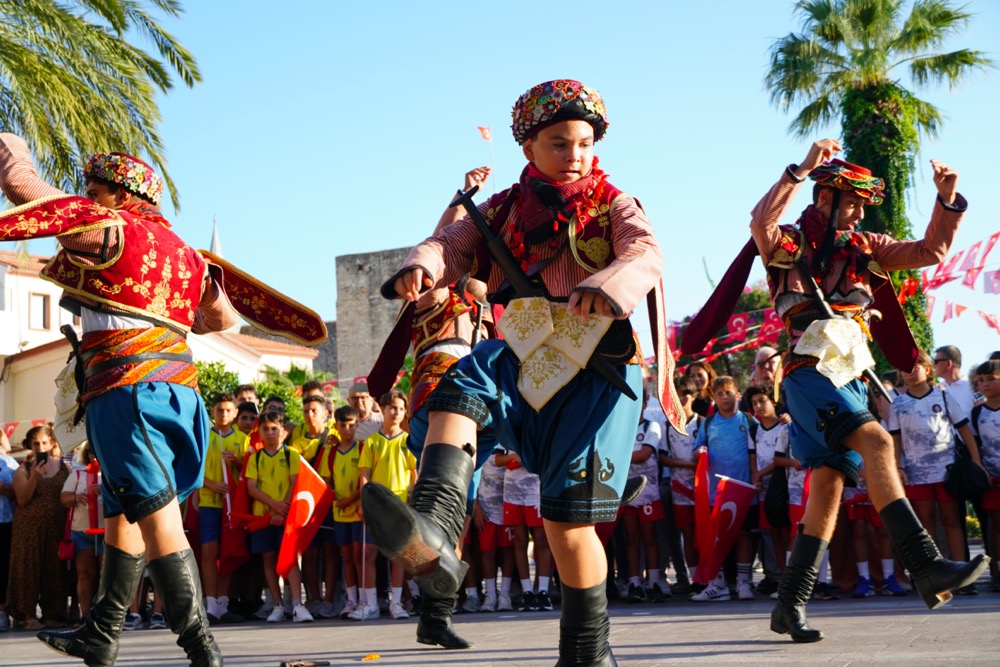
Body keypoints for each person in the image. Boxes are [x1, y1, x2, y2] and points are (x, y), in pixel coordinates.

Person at [361, 79, 670, 665]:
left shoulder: (614, 202)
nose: (574, 154)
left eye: (582, 143)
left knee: (568, 526)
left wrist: (609, 284)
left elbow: (644, 252)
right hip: (526, 351)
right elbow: (450, 243)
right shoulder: (500, 207)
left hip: (598, 368)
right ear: (528, 148)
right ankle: (433, 527)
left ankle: (587, 654)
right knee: (461, 384)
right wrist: (421, 268)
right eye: (559, 143)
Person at [747, 137, 988, 643]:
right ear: (823, 198)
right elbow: (760, 225)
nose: (857, 211)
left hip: (850, 375)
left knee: (829, 488)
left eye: (861, 203)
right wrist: (800, 169)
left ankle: (788, 605)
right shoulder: (788, 243)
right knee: (879, 442)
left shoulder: (868, 246)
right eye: (850, 200)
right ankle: (924, 565)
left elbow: (929, 251)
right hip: (807, 371)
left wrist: (946, 201)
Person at [889, 351, 983, 582]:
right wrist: (897, 467)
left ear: (927, 370)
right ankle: (934, 574)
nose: (910, 374)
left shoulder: (943, 396)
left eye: (916, 368)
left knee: (952, 520)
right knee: (926, 523)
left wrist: (976, 462)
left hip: (947, 471)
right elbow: (895, 439)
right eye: (905, 370)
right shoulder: (898, 404)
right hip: (916, 474)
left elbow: (963, 429)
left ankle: (962, 573)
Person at [691, 377, 758, 602]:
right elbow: (697, 449)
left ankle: (743, 582)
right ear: (714, 398)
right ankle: (717, 584)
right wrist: (700, 450)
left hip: (743, 488)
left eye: (728, 392)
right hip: (716, 491)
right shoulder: (708, 423)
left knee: (744, 535)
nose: (724, 397)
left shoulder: (748, 420)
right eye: (719, 394)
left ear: (737, 395)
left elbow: (760, 449)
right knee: (716, 537)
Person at [246, 410, 313, 624]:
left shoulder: (291, 454)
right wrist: (273, 507)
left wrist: (281, 509)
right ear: (259, 432)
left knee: (290, 559)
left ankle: (297, 604)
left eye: (274, 429)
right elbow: (252, 488)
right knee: (268, 559)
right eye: (265, 429)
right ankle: (277, 604)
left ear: (282, 431)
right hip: (263, 517)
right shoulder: (255, 458)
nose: (270, 433)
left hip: (287, 517)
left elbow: (295, 483)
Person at [358, 390, 418, 621]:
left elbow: (414, 476)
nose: (396, 412)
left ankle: (396, 603)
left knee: (398, 557)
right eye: (392, 407)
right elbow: (365, 475)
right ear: (382, 409)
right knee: (370, 553)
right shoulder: (372, 442)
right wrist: (365, 502)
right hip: (377, 506)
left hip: (400, 507)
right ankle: (371, 604)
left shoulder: (408, 441)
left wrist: (415, 503)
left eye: (401, 409)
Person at [8, 426, 70, 630]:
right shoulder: (23, 469)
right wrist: (35, 476)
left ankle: (53, 614)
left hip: (56, 527)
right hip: (28, 529)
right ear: (30, 446)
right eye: (36, 444)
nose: (40, 447)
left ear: (52, 443)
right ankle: (26, 615)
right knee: (28, 569)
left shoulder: (63, 467)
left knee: (54, 570)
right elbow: (23, 499)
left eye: (44, 443)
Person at [199, 392, 246, 625]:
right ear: (212, 412)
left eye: (228, 410)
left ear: (235, 413)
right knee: (209, 552)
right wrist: (210, 484)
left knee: (227, 551)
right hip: (208, 502)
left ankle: (224, 604)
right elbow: (193, 470)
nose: (224, 414)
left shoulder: (242, 439)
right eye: (220, 410)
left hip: (232, 505)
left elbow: (248, 473)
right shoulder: (204, 437)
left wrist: (237, 463)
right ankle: (211, 604)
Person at [658, 377, 702, 596]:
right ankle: (693, 579)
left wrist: (699, 463)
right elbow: (663, 458)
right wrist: (687, 464)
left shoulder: (703, 423)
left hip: (702, 487)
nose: (682, 397)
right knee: (686, 532)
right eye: (678, 393)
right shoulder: (668, 426)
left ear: (693, 397)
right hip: (679, 489)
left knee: (703, 533)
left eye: (686, 393)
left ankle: (708, 578)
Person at [623, 410, 667, 602]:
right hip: (625, 491)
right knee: (631, 537)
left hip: (648, 492)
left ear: (645, 402)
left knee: (650, 537)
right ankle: (634, 583)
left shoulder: (652, 426)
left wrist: (617, 456)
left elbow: (644, 455)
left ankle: (654, 582)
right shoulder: (620, 427)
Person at [61, 443, 105, 621]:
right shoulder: (77, 475)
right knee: (85, 574)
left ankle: (106, 617)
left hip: (107, 532)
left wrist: (106, 491)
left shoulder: (111, 475)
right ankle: (86, 616)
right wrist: (75, 498)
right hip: (81, 531)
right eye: (90, 451)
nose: (94, 454)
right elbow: (63, 499)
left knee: (106, 575)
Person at [971, 359, 1000, 592]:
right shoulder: (977, 412)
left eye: (991, 378)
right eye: (980, 380)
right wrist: (981, 468)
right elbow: (975, 444)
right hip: (991, 479)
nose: (985, 384)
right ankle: (996, 570)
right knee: (993, 525)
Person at [0, 436, 19, 631]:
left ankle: (3, 611)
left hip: (5, 521)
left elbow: (18, 490)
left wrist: (6, 489)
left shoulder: (7, 462)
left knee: (3, 567)